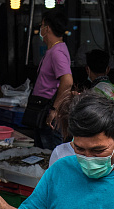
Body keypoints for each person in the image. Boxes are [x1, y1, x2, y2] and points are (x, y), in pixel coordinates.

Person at [29, 11, 73, 150]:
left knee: (49, 155)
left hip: (49, 112)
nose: (40, 29)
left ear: (47, 28)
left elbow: (67, 81)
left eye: (41, 25)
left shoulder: (57, 52)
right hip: (43, 110)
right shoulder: (54, 50)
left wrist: (55, 109)